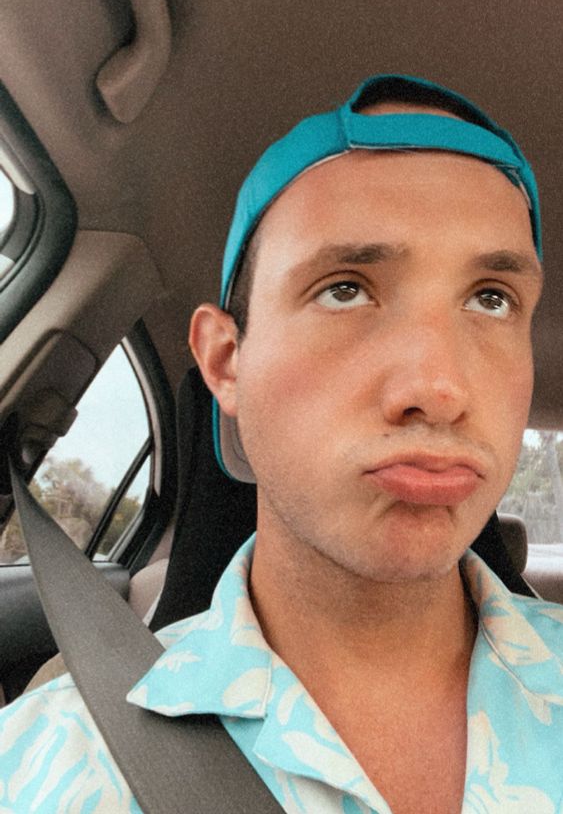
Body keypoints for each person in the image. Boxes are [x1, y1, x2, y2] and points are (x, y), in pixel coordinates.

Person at [1, 73, 562, 814]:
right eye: (344, 288)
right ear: (226, 362)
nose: (438, 389)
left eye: (492, 299)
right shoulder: (40, 764)